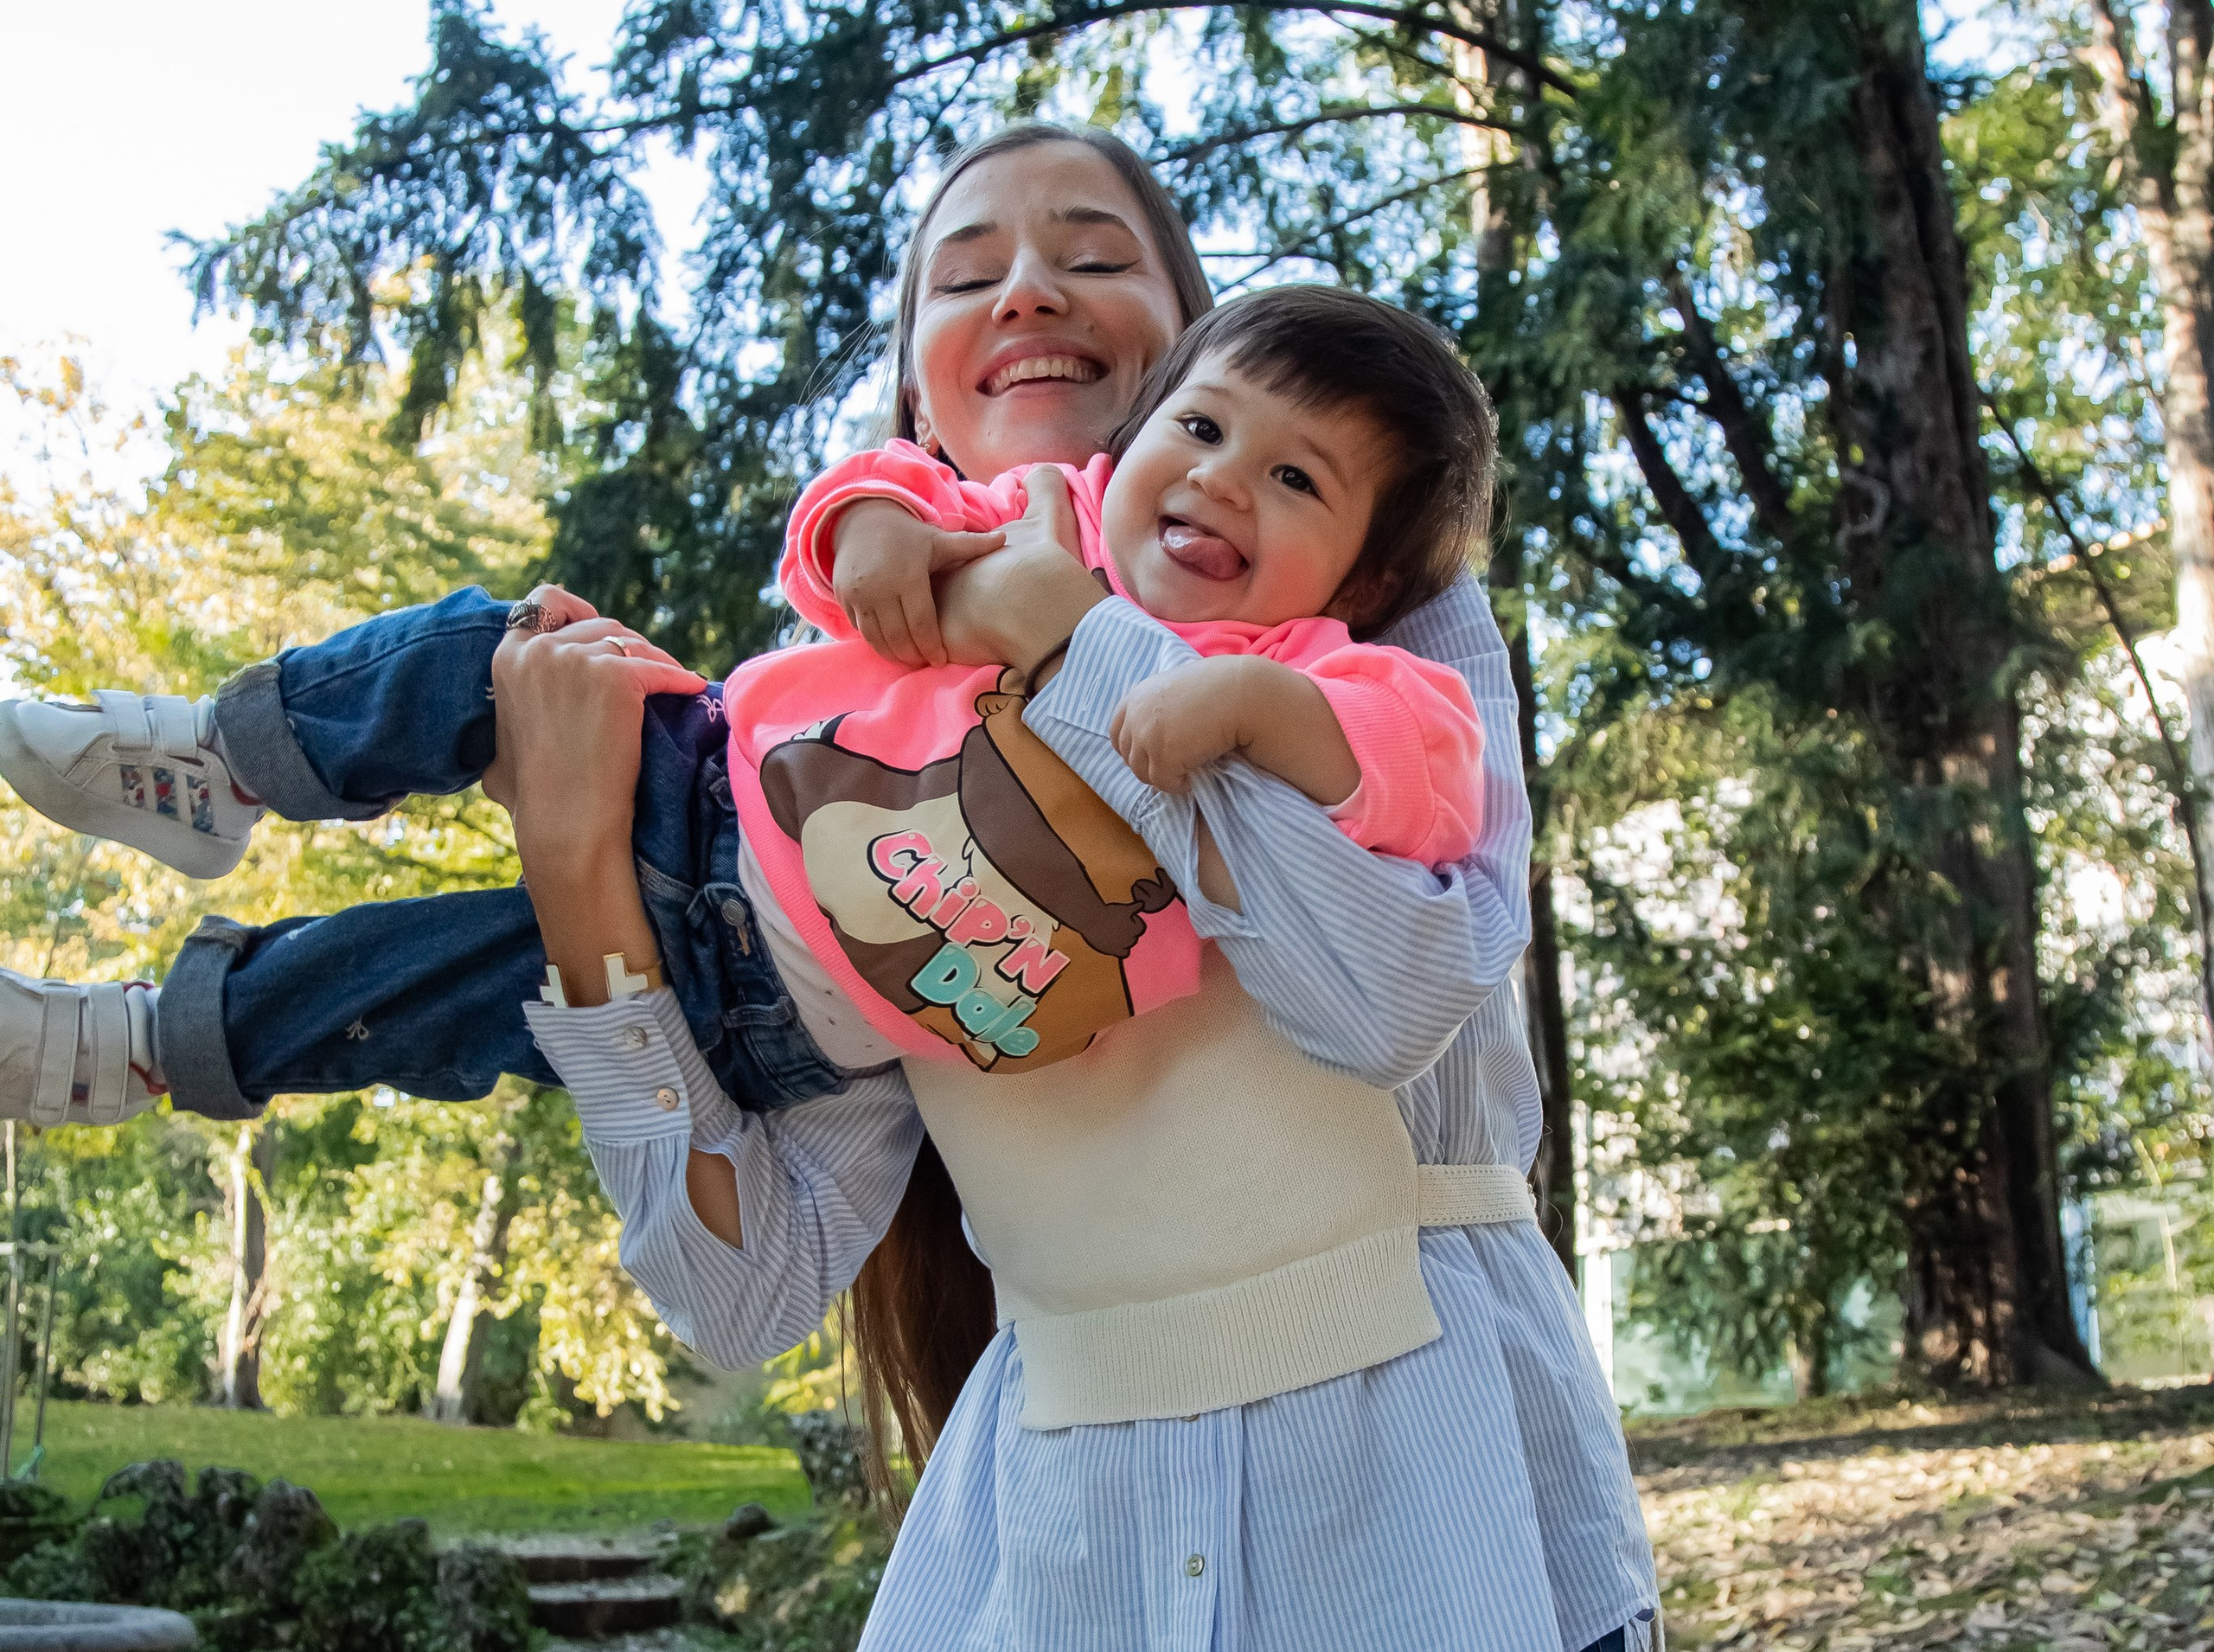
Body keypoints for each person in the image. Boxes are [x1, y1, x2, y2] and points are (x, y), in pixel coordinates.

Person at [481, 135, 1661, 1652]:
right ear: (915, 380)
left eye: (1097, 261)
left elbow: (1384, 995)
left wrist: (1078, 645)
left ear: (1204, 374)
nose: (1028, 296)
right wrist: (590, 881)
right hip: (1068, 1636)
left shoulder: (1393, 656)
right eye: (963, 270)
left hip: (1432, 1622)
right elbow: (744, 1284)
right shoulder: (848, 775)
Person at [0, 259, 1486, 1122]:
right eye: (1206, 426)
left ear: (1359, 583)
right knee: (500, 645)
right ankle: (223, 763)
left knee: (426, 982)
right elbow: (860, 508)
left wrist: (1246, 712)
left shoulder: (1320, 667)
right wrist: (884, 527)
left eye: (1295, 478)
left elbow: (1424, 775)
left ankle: (136, 1043)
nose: (1224, 478)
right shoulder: (1050, 511)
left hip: (778, 1010)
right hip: (703, 776)